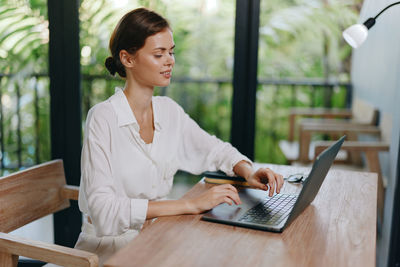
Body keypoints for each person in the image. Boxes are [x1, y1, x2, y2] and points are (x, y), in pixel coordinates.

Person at [74, 7, 284, 265]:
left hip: (159, 236)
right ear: (127, 59)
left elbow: (215, 150)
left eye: (171, 52)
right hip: (109, 251)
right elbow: (104, 211)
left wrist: (249, 172)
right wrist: (191, 205)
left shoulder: (169, 112)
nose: (170, 60)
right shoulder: (103, 118)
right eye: (158, 54)